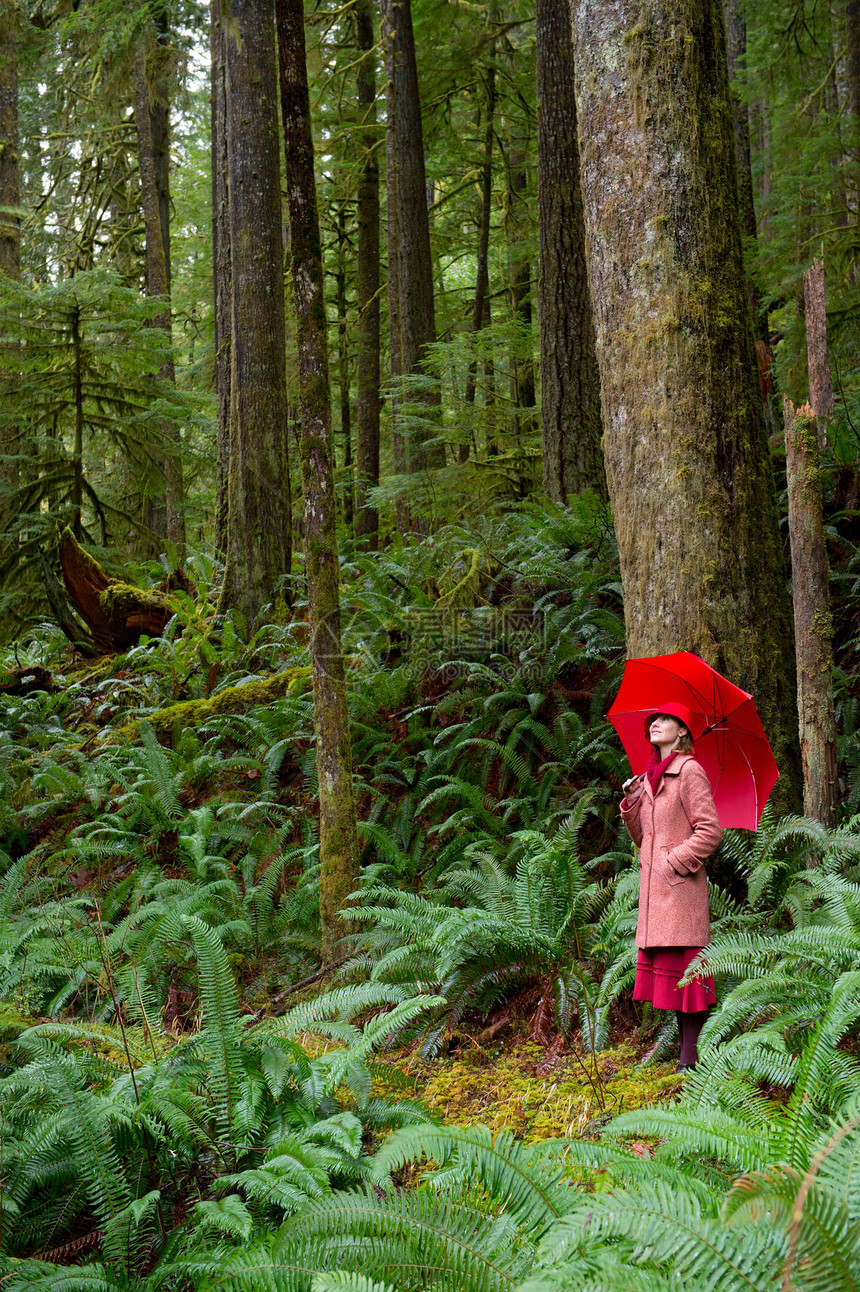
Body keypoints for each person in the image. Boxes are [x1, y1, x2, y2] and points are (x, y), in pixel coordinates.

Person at [619, 702, 722, 1071]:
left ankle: (689, 1060)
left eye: (664, 720)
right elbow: (643, 837)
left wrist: (673, 861)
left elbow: (710, 832)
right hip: (656, 896)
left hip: (680, 893)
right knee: (677, 982)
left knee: (690, 981)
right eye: (652, 721)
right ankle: (687, 1056)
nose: (655, 724)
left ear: (682, 731)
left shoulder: (690, 771)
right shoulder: (650, 778)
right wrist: (632, 803)